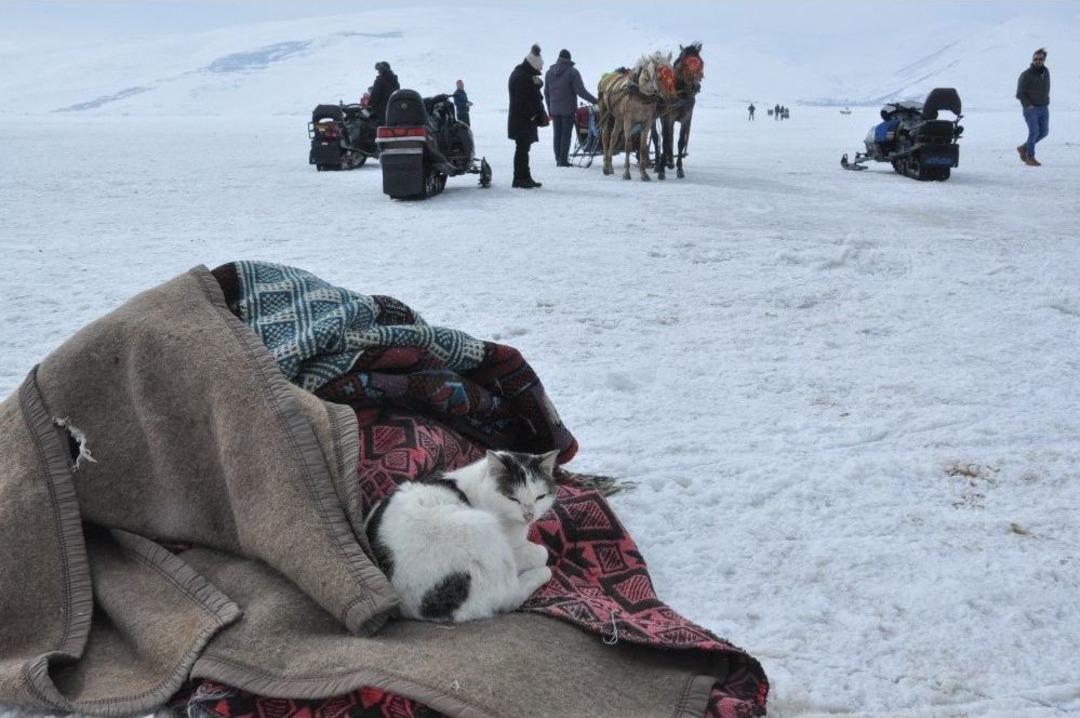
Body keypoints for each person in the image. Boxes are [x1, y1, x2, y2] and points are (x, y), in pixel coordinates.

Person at [544, 49, 599, 167]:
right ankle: (562, 161)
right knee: (566, 135)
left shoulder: (549, 73)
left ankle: (558, 158)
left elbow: (546, 93)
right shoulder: (572, 72)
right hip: (568, 109)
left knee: (557, 134)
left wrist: (549, 109)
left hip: (554, 109)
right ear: (569, 59)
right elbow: (581, 91)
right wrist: (596, 101)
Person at [508, 44, 548, 188]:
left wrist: (537, 85)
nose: (539, 71)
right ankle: (519, 178)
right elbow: (522, 101)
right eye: (538, 69)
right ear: (533, 65)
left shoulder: (523, 75)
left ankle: (525, 176)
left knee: (524, 149)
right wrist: (532, 115)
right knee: (522, 149)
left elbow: (532, 95)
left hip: (523, 120)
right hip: (523, 121)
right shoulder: (522, 77)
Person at [1016, 47, 1050, 166]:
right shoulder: (1026, 75)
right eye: (1035, 59)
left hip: (1043, 108)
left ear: (1044, 59)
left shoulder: (1046, 72)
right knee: (1034, 132)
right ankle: (1030, 157)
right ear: (1032, 59)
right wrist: (1028, 105)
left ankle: (1024, 147)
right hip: (1031, 109)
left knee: (1044, 132)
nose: (1038, 61)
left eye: (1040, 59)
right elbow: (1020, 93)